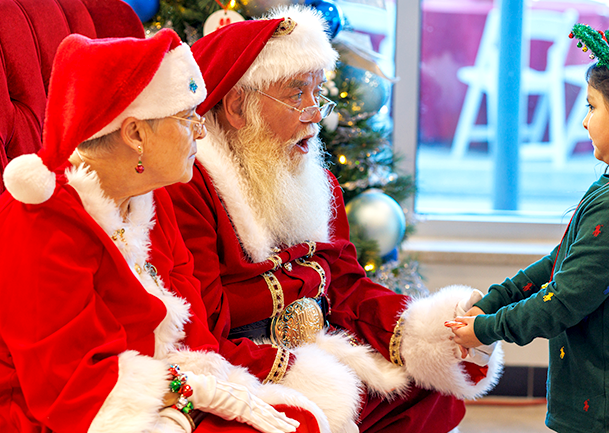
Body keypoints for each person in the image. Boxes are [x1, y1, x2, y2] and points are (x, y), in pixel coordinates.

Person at [164, 5, 503, 433]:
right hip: (243, 369)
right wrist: (303, 375)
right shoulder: (190, 186)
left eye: (317, 92)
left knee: (430, 392)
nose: (315, 112)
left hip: (319, 350)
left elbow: (344, 286)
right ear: (237, 107)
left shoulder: (311, 178)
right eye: (296, 94)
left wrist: (422, 331)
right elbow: (199, 336)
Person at [0, 29, 330, 433]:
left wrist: (198, 396)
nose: (201, 130)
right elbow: (73, 390)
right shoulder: (41, 223)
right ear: (136, 133)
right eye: (187, 117)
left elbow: (195, 338)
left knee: (303, 418)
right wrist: (194, 397)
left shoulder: (151, 200)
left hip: (163, 395)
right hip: (79, 415)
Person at [451, 28, 609, 433]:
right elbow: (562, 261)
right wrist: (497, 300)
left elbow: (563, 301)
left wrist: (485, 329)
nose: (585, 122)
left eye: (592, 107)